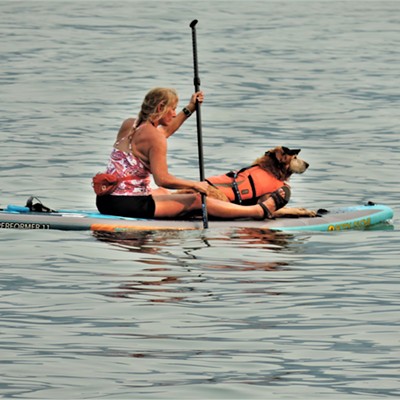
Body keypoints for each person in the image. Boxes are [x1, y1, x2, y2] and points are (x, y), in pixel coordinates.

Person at [96, 87, 289, 220]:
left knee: (164, 194)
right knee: (198, 199)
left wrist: (190, 109)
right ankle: (258, 211)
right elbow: (162, 179)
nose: (173, 114)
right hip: (127, 205)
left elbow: (163, 132)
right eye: (171, 109)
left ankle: (182, 208)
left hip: (105, 201)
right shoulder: (156, 138)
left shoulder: (130, 124)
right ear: (161, 107)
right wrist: (196, 185)